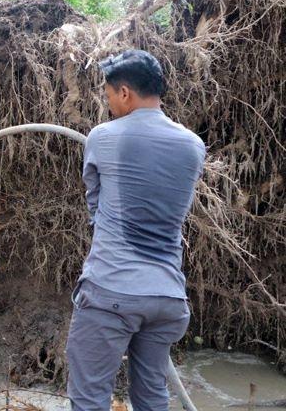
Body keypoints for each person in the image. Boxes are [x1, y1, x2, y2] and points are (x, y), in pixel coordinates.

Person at [66, 49, 206, 410]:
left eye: (109, 94)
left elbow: (94, 208)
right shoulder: (193, 146)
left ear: (125, 92)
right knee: (152, 396)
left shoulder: (104, 136)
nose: (109, 102)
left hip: (112, 290)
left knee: (89, 399)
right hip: (168, 298)